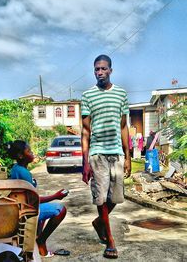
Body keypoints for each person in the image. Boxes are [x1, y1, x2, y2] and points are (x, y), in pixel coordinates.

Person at [81, 54, 131, 259]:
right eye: (96, 69)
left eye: (103, 69)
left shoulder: (121, 94)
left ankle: (98, 222)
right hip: (97, 153)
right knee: (101, 198)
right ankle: (110, 240)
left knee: (116, 198)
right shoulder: (88, 95)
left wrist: (128, 156)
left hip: (117, 152)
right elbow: (85, 131)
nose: (100, 72)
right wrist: (84, 162)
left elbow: (123, 127)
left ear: (111, 70)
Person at [8, 140, 70, 258]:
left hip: (19, 207)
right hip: (25, 210)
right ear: (21, 155)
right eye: (29, 151)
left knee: (44, 213)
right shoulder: (24, 173)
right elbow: (33, 200)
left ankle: (39, 241)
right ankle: (41, 241)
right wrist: (56, 196)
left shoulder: (16, 168)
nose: (32, 153)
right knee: (60, 210)